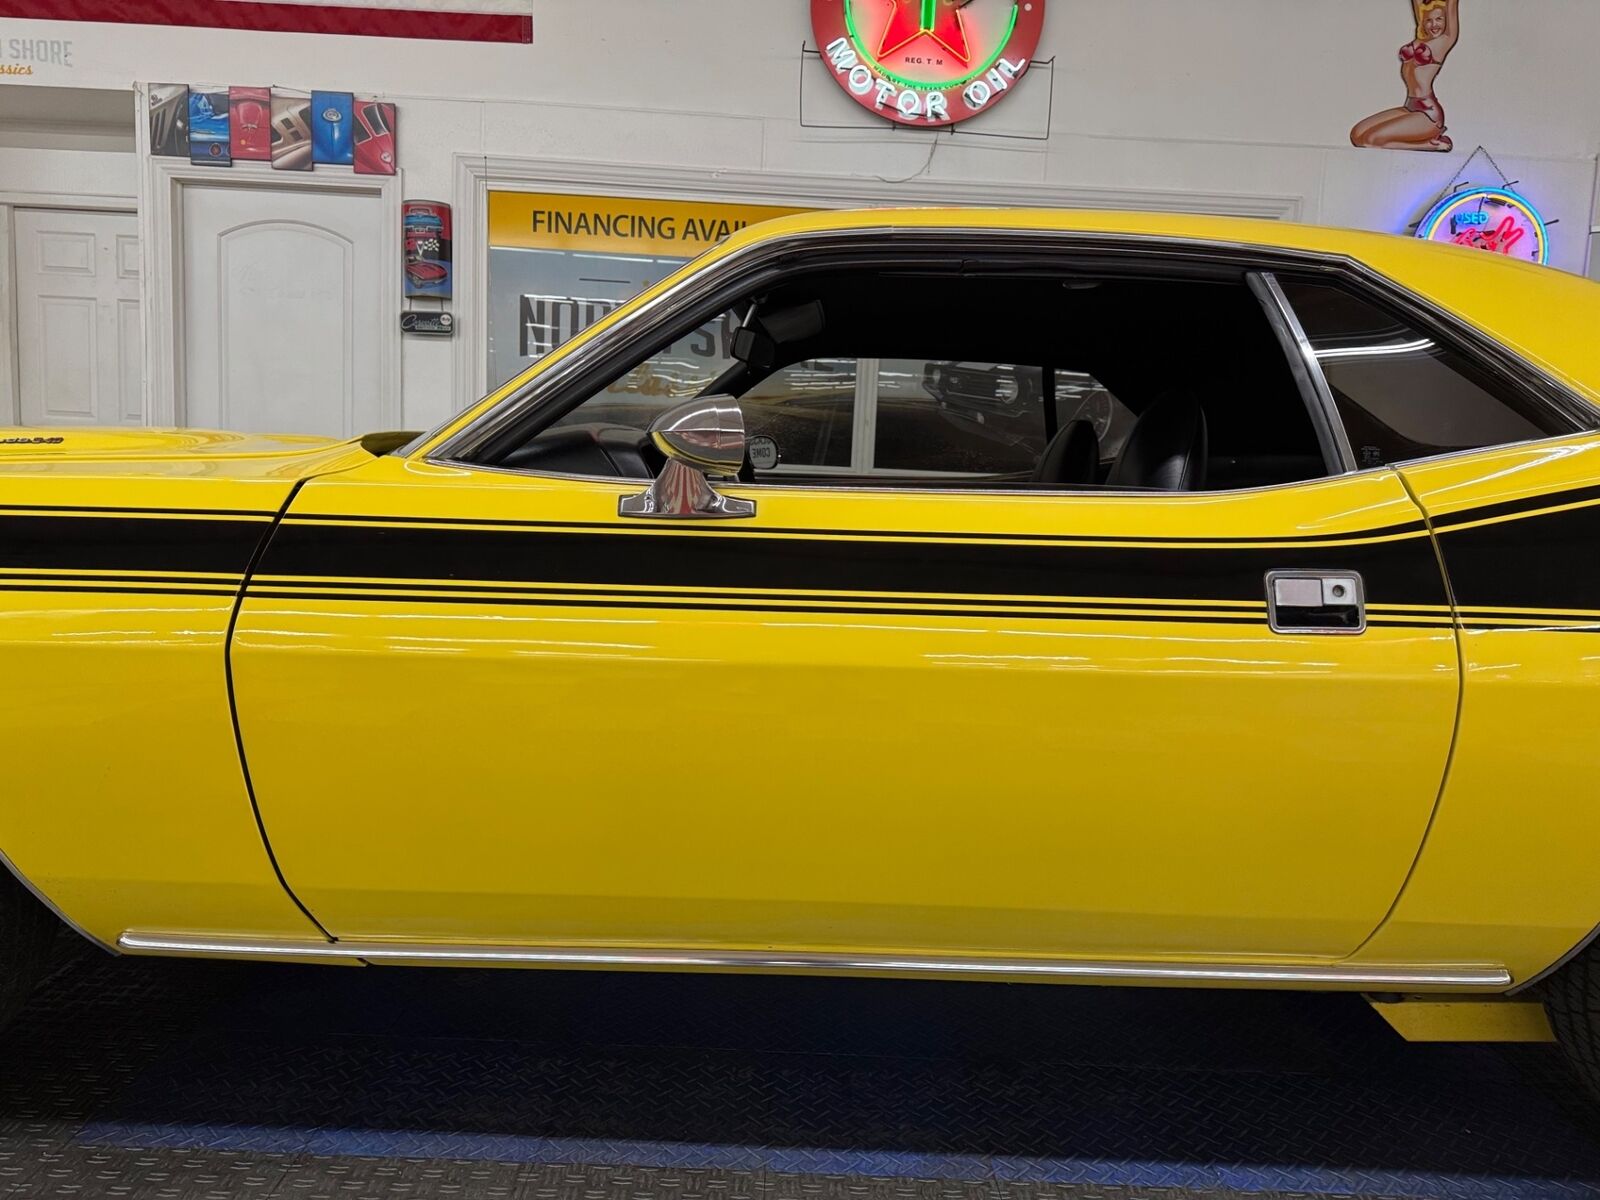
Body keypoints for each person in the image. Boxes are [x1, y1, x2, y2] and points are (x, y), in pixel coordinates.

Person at [1350, 0, 1460, 152]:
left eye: (1439, 19)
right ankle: (1426, 142)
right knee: (1357, 135)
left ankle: (1428, 145)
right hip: (1410, 107)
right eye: (1429, 20)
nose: (1434, 25)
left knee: (1370, 141)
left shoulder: (1444, 41)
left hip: (1428, 115)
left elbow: (1452, 4)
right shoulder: (1421, 39)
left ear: (1446, 20)